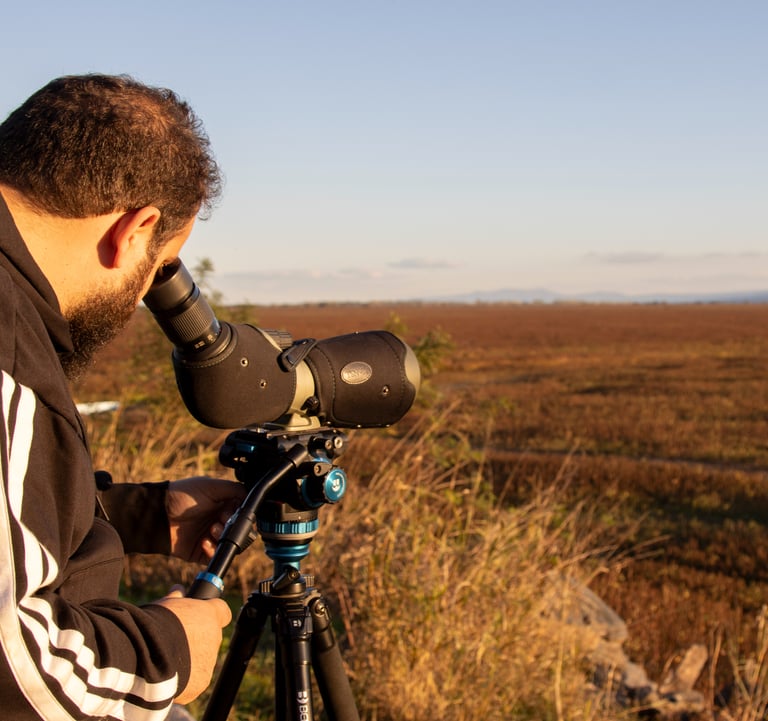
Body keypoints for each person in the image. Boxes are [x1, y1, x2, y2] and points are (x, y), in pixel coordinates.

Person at [0, 74, 245, 720]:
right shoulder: (8, 350)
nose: (145, 298)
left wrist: (142, 513)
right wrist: (169, 650)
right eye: (159, 267)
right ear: (134, 230)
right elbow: (18, 671)